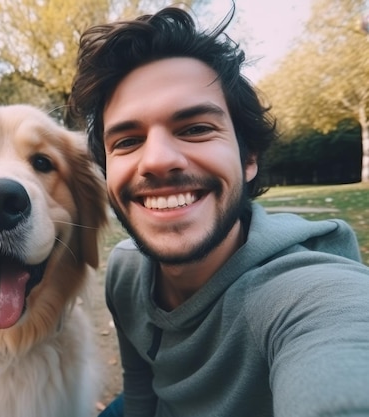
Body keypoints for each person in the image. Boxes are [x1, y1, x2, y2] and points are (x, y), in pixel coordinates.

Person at [67, 5, 369, 417]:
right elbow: (141, 389)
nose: (156, 160)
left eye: (195, 129)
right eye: (127, 141)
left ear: (249, 158)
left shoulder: (302, 293)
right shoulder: (124, 271)